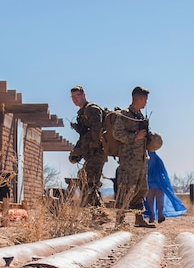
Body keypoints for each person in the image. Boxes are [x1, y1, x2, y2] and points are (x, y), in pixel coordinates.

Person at [113, 86, 155, 227]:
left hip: (141, 158)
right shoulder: (124, 115)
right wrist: (135, 137)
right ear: (140, 98)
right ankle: (120, 219)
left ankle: (138, 219)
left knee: (141, 189)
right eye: (145, 99)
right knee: (126, 188)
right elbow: (116, 133)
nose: (146, 103)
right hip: (129, 159)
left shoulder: (140, 116)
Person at [69, 85, 107, 207]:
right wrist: (77, 153)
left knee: (89, 184)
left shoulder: (91, 109)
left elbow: (95, 134)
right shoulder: (83, 112)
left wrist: (80, 150)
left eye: (77, 96)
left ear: (84, 95)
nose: (75, 99)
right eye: (72, 97)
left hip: (96, 153)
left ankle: (99, 213)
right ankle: (99, 213)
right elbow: (84, 136)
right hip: (91, 154)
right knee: (87, 183)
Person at [145, 151, 166, 224]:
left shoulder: (146, 159)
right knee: (160, 202)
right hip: (159, 184)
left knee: (149, 202)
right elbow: (163, 172)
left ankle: (152, 217)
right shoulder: (158, 159)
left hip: (149, 185)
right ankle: (160, 215)